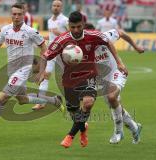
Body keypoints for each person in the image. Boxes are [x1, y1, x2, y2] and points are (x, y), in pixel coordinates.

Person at [0, 3, 62, 137]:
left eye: (19, 14)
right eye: (14, 14)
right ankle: (53, 101)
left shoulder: (30, 31)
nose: (16, 17)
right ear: (11, 15)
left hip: (23, 70)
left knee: (2, 98)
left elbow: (44, 48)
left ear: (24, 15)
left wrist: (41, 71)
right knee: (22, 100)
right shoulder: (6, 30)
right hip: (11, 69)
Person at [38, 11, 127, 148]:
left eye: (79, 26)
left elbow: (108, 42)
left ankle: (70, 136)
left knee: (88, 103)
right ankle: (83, 129)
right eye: (73, 27)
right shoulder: (61, 40)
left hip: (89, 76)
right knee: (75, 113)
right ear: (69, 26)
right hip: (70, 80)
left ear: (83, 24)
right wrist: (42, 71)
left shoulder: (93, 35)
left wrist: (119, 62)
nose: (76, 30)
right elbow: (45, 56)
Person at [85, 23, 144, 144]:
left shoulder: (104, 36)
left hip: (117, 72)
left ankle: (118, 131)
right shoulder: (82, 48)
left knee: (112, 97)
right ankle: (135, 127)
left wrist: (135, 46)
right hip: (102, 80)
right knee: (116, 106)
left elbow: (121, 33)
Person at [32, 0, 68, 110]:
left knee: (66, 78)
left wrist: (60, 34)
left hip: (63, 53)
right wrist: (45, 39)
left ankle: (76, 99)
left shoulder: (65, 20)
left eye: (58, 6)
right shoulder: (49, 20)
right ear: (51, 7)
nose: (56, 7)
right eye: (54, 6)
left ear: (61, 8)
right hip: (52, 52)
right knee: (45, 75)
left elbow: (72, 34)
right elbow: (52, 35)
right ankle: (41, 102)